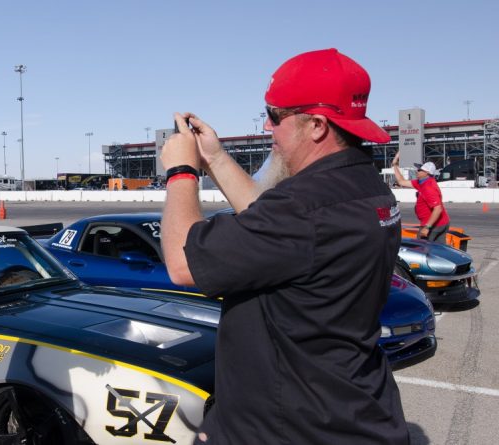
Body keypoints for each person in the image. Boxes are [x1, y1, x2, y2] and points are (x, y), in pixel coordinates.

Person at [160, 48, 408, 444]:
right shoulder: (364, 188)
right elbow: (276, 230)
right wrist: (216, 159)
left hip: (292, 427)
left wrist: (181, 171)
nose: (268, 128)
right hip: (350, 409)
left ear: (316, 126)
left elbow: (182, 262)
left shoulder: (303, 208)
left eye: (275, 116)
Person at [392, 153, 450, 243]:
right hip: (440, 223)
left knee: (421, 249)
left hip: (434, 226)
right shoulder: (421, 182)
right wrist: (395, 165)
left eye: (419, 170)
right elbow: (401, 181)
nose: (417, 171)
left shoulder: (428, 187)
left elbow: (438, 209)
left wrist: (427, 227)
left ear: (427, 173)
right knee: (439, 252)